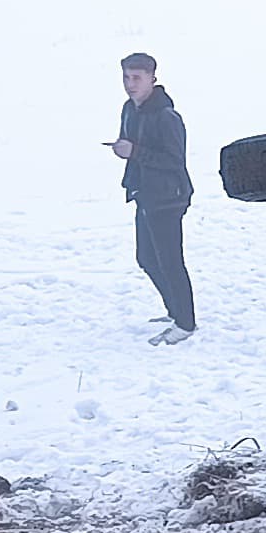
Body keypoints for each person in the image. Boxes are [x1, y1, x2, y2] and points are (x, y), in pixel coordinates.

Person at [108, 52, 196, 339]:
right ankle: (175, 311)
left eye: (136, 78)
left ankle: (185, 323)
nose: (130, 84)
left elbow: (174, 160)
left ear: (152, 79)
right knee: (146, 257)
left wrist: (134, 152)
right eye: (126, 77)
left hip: (169, 197)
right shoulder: (128, 109)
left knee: (170, 260)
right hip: (144, 193)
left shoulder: (167, 116)